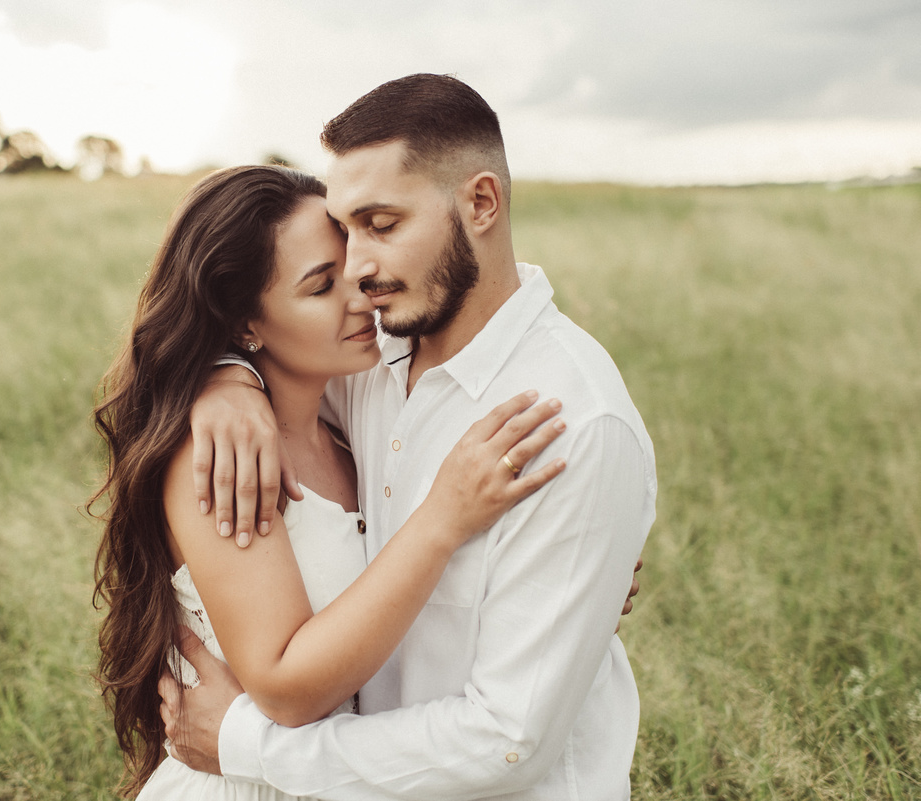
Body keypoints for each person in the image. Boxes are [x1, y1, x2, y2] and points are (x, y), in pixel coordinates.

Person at [163, 73, 656, 799]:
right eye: (346, 231)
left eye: (382, 225)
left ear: (480, 202)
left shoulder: (573, 421)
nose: (359, 270)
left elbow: (505, 741)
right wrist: (222, 377)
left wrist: (247, 742)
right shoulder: (374, 357)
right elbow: (258, 334)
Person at [89, 164, 574, 798]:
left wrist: (557, 566)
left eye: (350, 270)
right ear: (244, 324)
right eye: (321, 287)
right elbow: (289, 690)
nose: (360, 297)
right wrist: (444, 518)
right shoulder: (220, 463)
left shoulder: (351, 413)